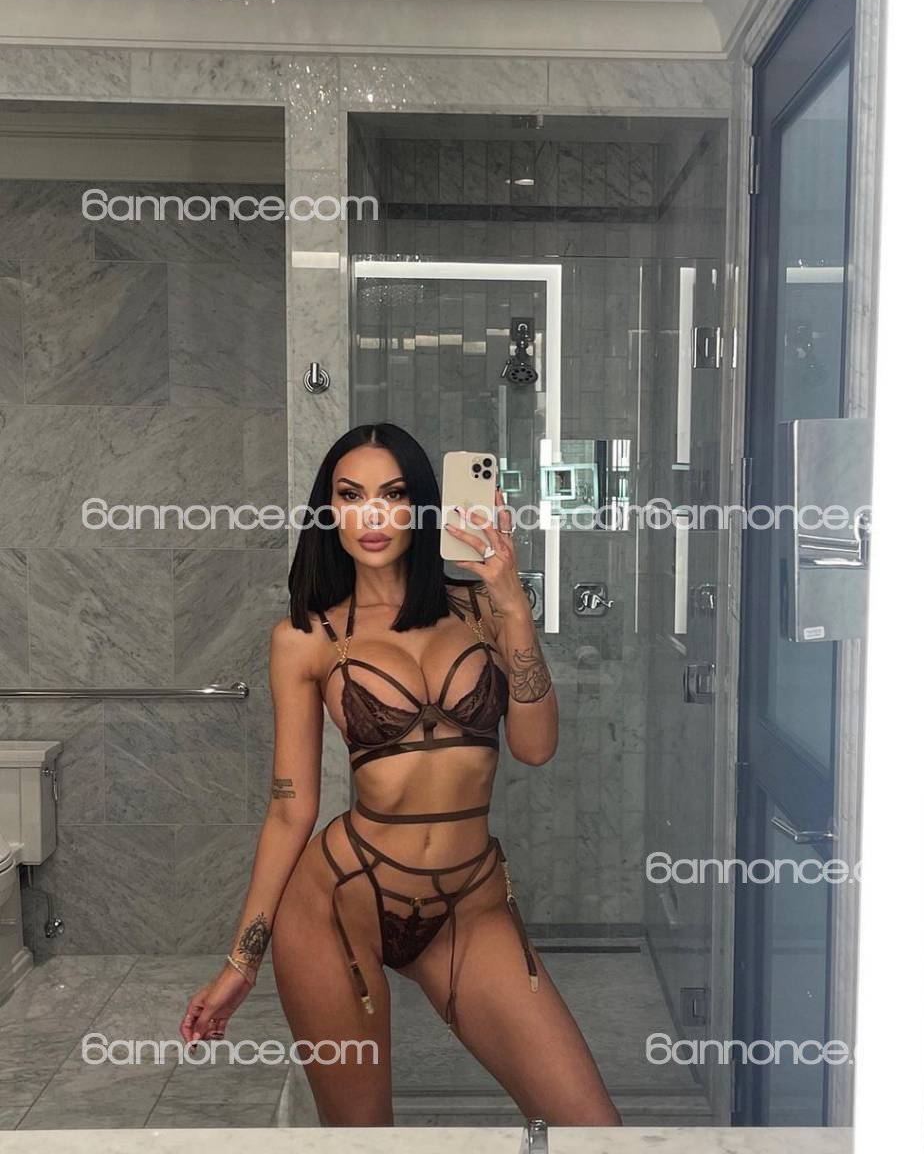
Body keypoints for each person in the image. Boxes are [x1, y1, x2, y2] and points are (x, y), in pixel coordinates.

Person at [179, 422, 621, 1127]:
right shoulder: (304, 638)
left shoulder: (481, 609)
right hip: (337, 904)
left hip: (469, 904)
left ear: (423, 506)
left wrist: (513, 602)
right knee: (364, 1142)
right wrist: (242, 961)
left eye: (393, 494)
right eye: (351, 496)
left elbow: (536, 746)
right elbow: (290, 809)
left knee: (593, 1131)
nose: (373, 516)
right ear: (329, 511)